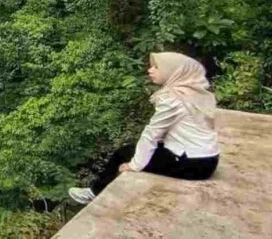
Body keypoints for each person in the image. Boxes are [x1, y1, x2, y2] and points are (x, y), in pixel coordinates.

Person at [68, 52, 220, 204]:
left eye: (156, 67)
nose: (150, 70)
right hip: (209, 160)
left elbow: (152, 133)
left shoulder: (173, 99)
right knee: (145, 147)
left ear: (173, 72)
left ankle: (94, 193)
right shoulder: (194, 93)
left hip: (192, 165)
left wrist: (135, 165)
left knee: (124, 153)